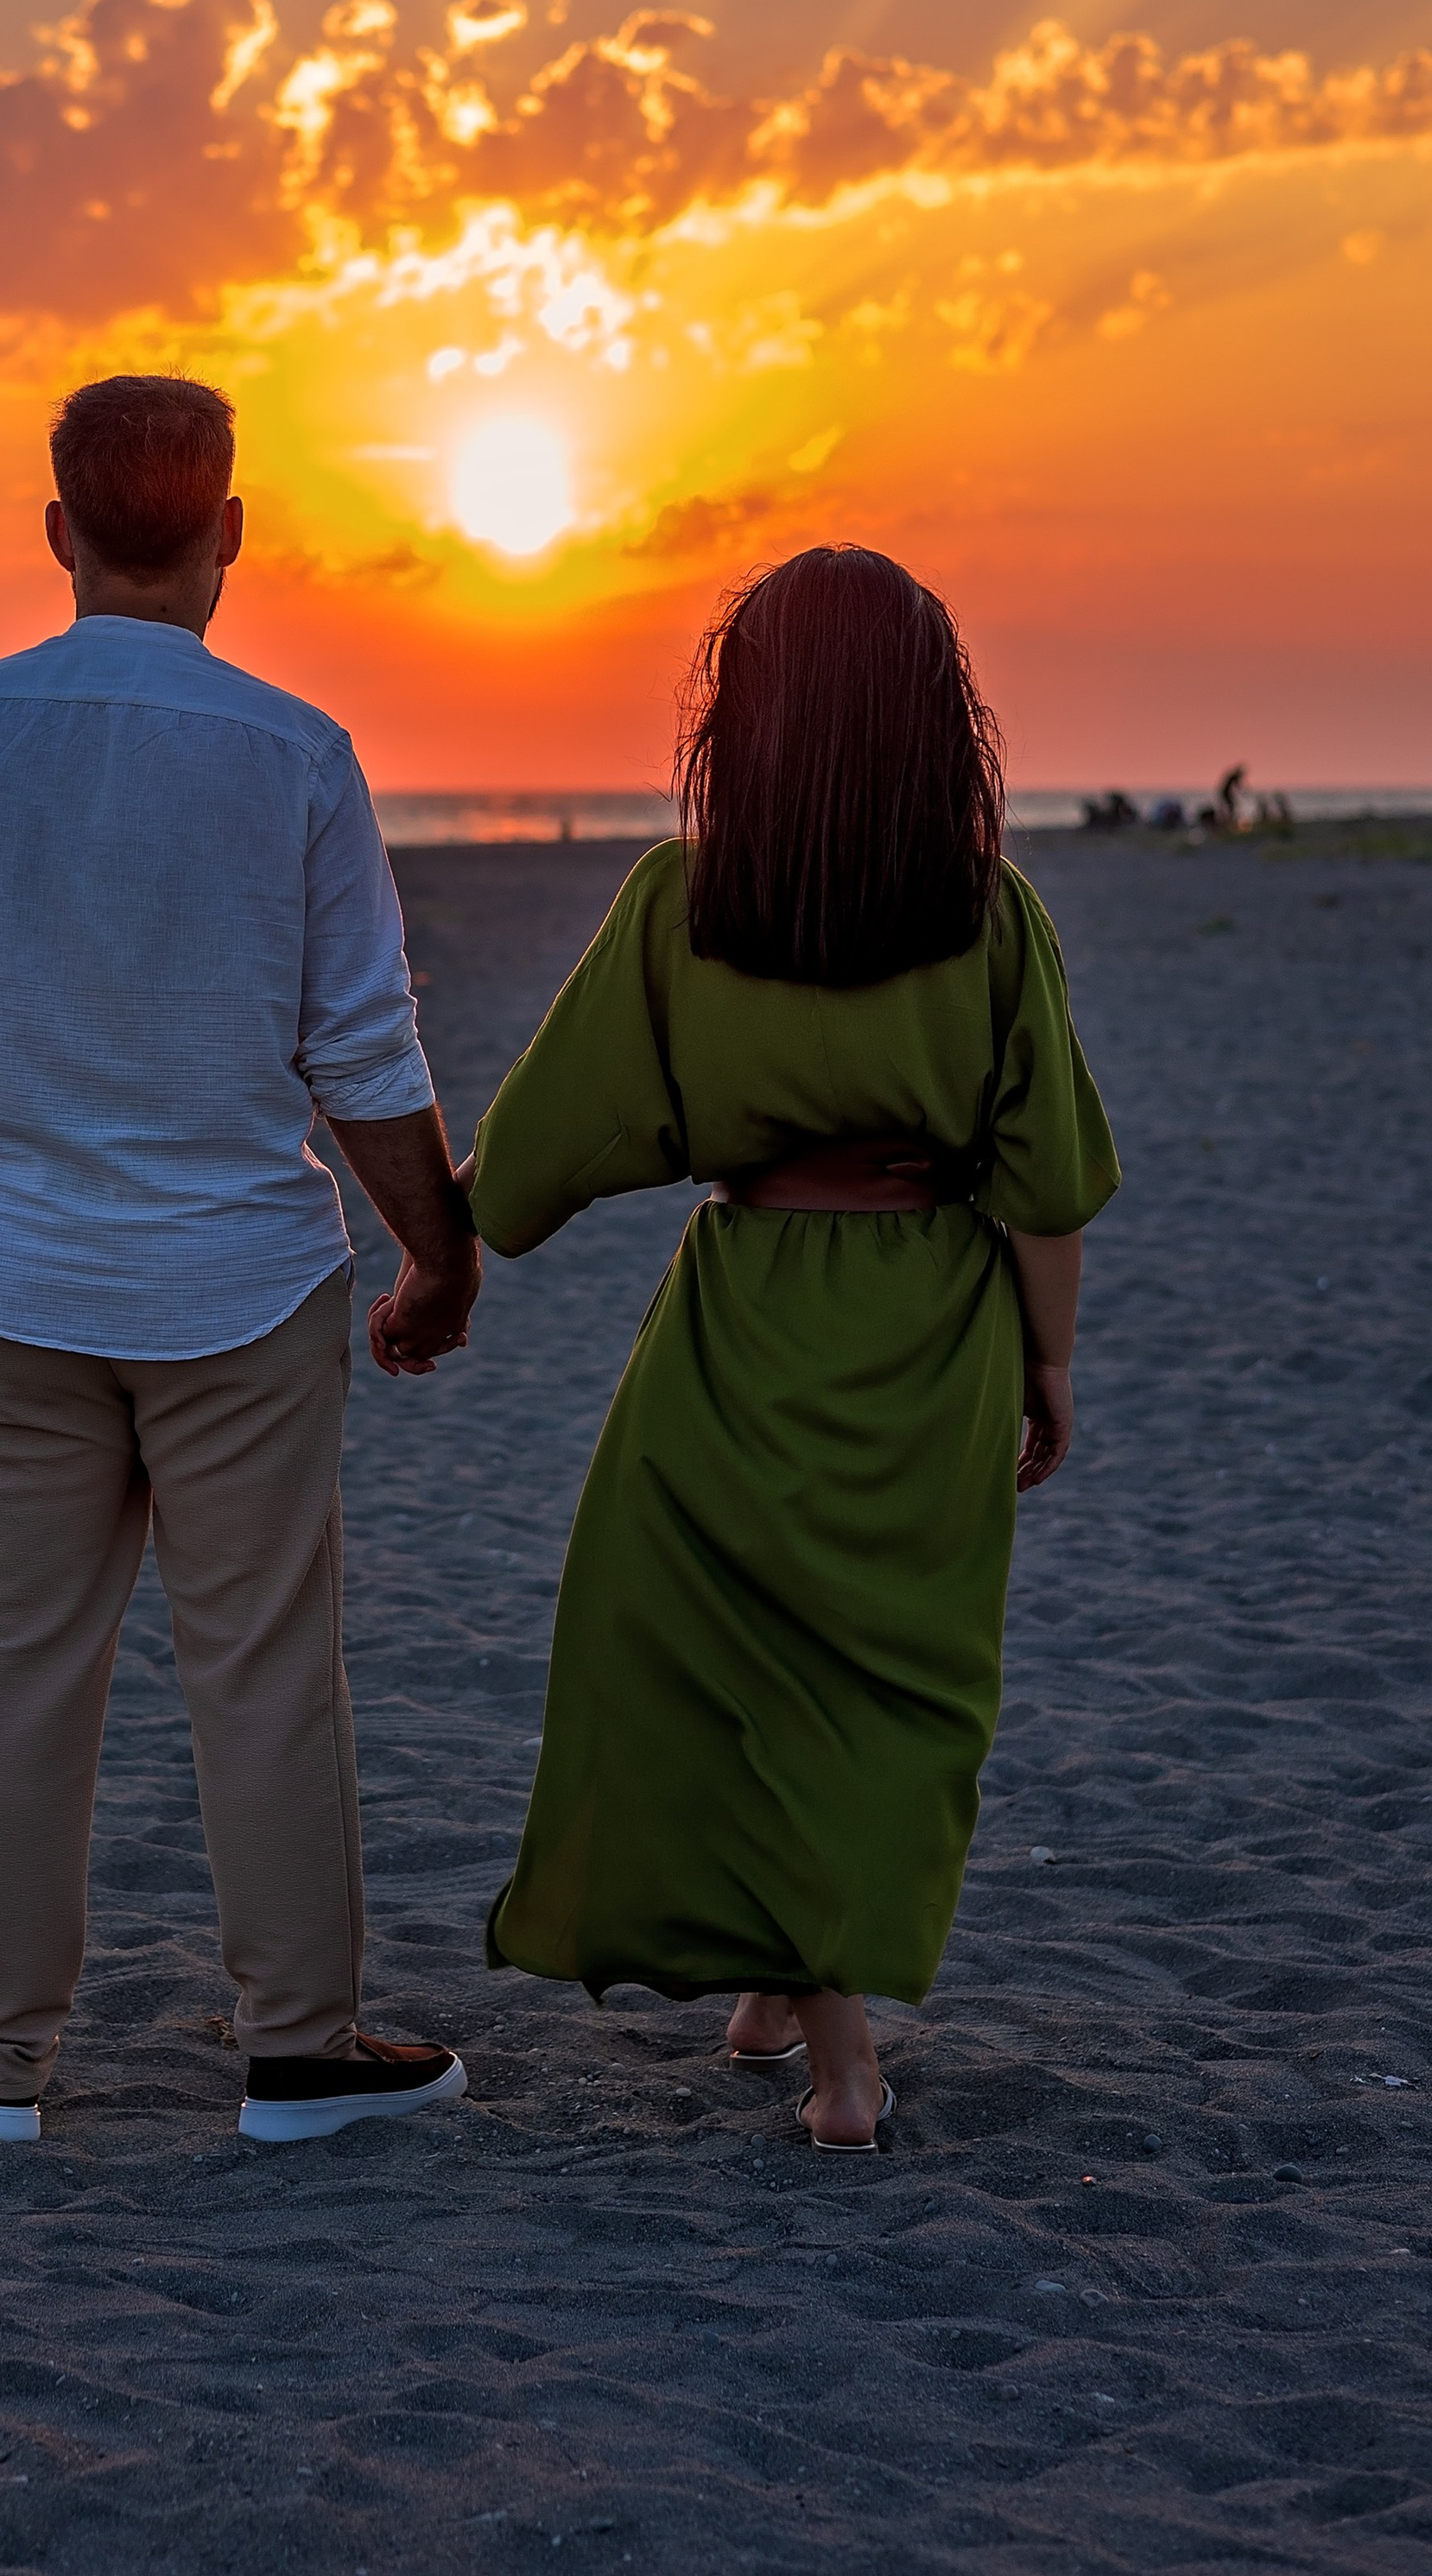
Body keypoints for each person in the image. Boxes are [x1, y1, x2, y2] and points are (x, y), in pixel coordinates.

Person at [0, 373, 480, 2146]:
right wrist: (443, 1253)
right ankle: (298, 2050)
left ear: (56, 532)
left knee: (17, 1660)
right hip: (237, 1286)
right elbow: (364, 1056)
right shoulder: (293, 751)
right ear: (229, 531)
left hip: (11, 1277)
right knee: (262, 1660)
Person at [466, 546, 1118, 2151]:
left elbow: (554, 1141)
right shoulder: (993, 915)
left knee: (714, 1655)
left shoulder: (685, 902)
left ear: (740, 718)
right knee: (875, 1681)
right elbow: (1043, 1183)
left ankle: (840, 2059)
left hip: (749, 1310)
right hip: (936, 1329)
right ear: (931, 719)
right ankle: (785, 1993)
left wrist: (445, 1244)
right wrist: (1049, 1365)